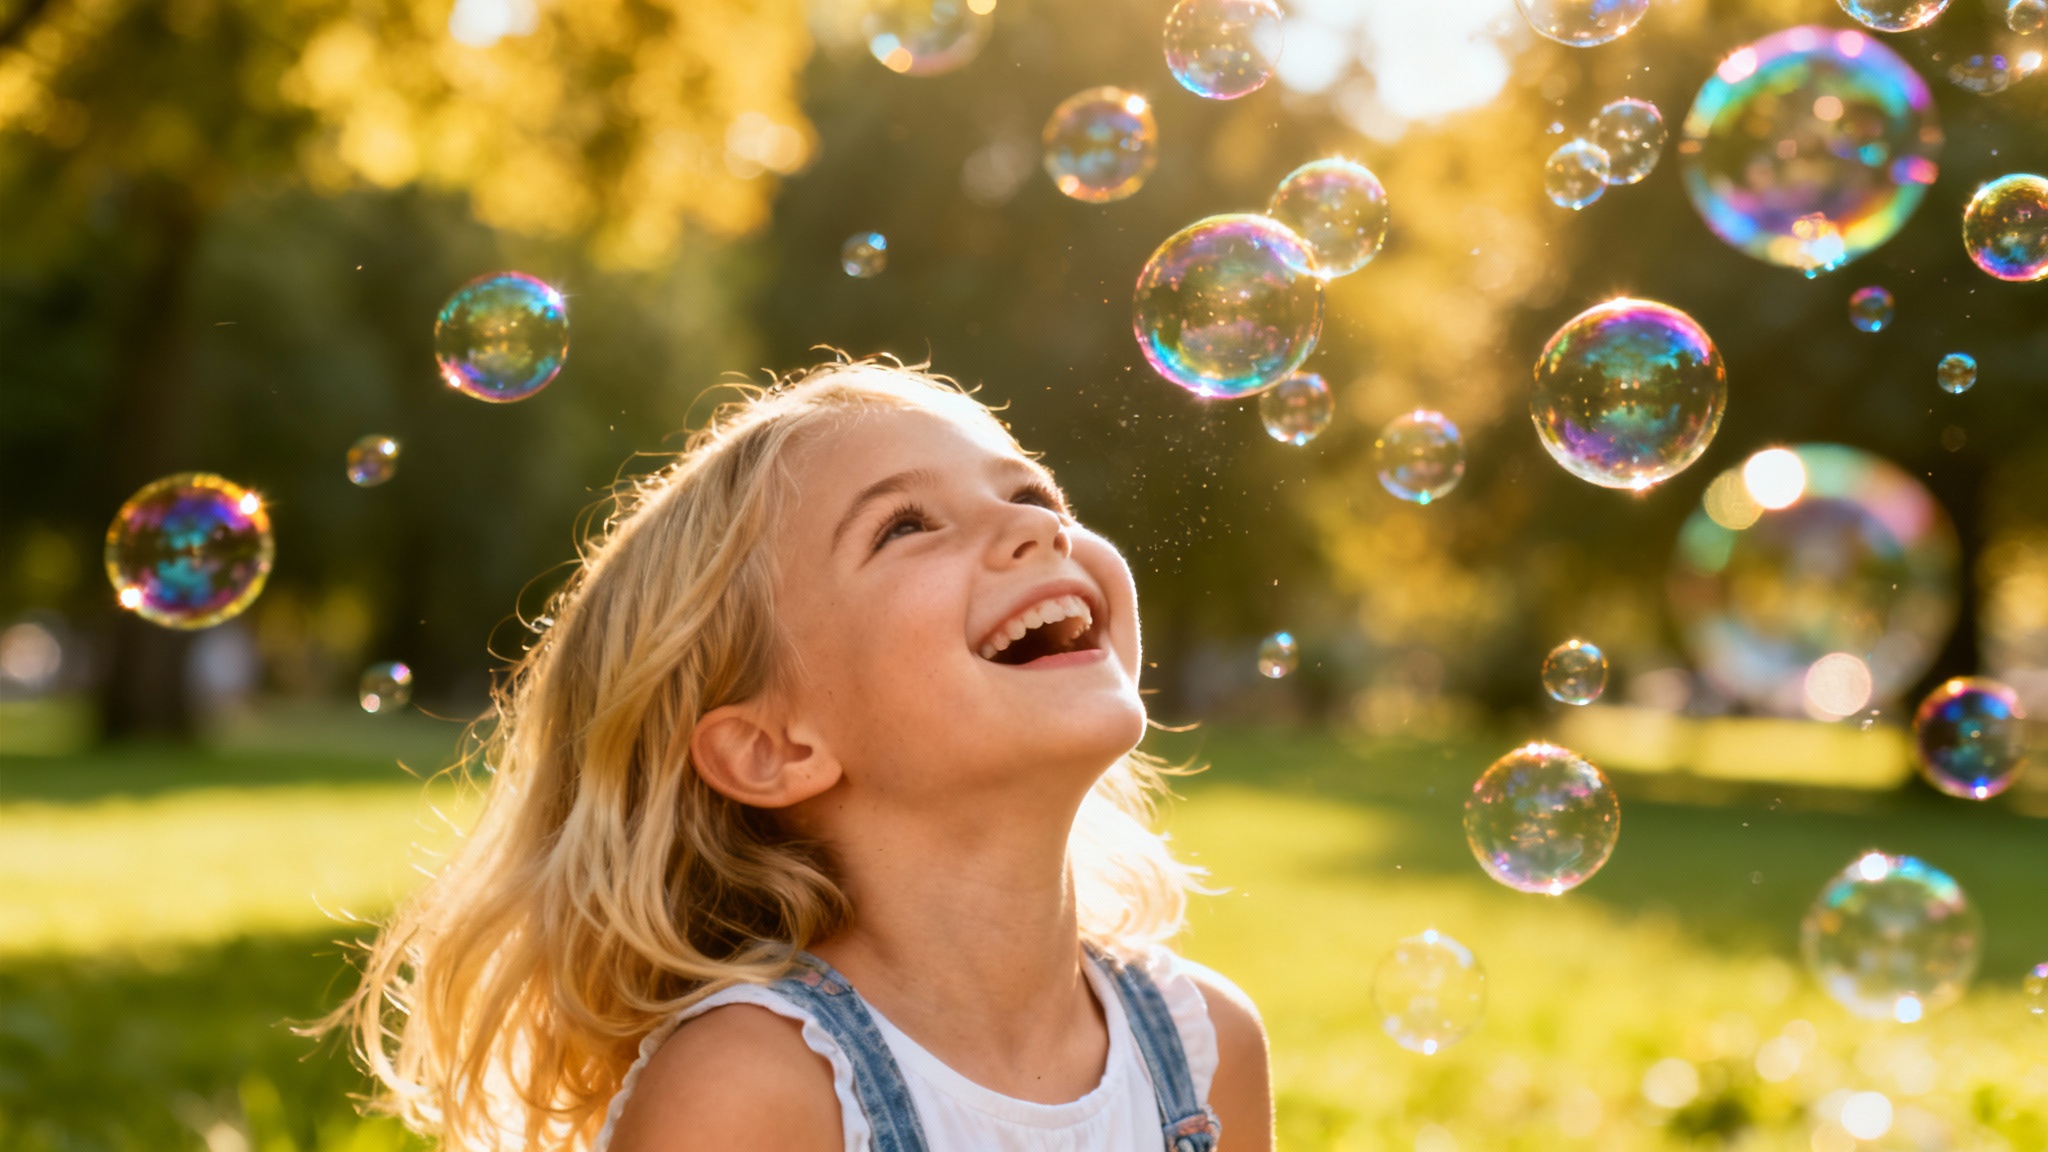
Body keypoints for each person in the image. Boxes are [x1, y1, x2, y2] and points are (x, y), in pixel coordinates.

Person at [330, 358, 1274, 1152]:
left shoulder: (1202, 1046)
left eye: (1030, 491)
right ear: (774, 747)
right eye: (906, 525)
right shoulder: (755, 1088)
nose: (1040, 526)